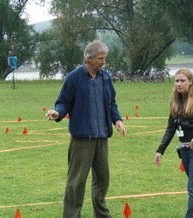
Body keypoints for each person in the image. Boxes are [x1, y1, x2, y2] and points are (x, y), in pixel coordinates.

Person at [46, 40, 126, 218]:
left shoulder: (105, 77)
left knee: (103, 180)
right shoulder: (74, 78)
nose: (103, 62)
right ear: (88, 59)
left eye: (104, 58)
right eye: (100, 58)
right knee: (76, 182)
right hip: (82, 140)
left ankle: (102, 215)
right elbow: (63, 103)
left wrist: (117, 120)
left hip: (102, 138)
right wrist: (57, 114)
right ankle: (72, 215)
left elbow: (111, 102)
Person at [155, 68, 193, 218]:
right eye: (176, 81)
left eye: (182, 80)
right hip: (184, 150)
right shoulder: (175, 101)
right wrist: (160, 150)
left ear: (190, 82)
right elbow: (171, 128)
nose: (179, 84)